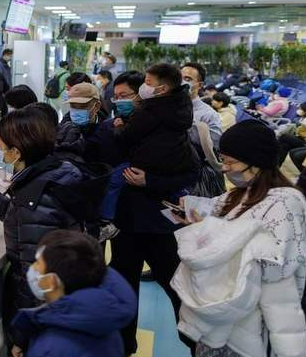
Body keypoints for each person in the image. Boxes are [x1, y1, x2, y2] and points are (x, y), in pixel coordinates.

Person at [172, 120, 306, 357]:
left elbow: (271, 269)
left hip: (252, 325)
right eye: (223, 160)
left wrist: (206, 232)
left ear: (256, 162)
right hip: (222, 318)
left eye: (231, 162)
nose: (224, 168)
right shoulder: (239, 195)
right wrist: (196, 218)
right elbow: (220, 222)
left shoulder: (285, 203)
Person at [0, 108, 97, 350]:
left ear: (17, 152)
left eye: (1, 145)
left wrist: (23, 337)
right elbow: (35, 219)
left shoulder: (34, 198)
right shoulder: (58, 171)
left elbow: (36, 281)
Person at [109, 63, 199, 356]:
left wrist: (151, 181)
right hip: (126, 221)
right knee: (123, 288)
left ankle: (199, 343)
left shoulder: (173, 127)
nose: (120, 101)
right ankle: (124, 346)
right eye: (116, 96)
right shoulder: (128, 122)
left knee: (175, 285)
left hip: (158, 222)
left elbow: (191, 172)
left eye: (125, 95)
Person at [11, 230, 137, 357]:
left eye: (38, 262)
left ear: (52, 281)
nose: (33, 268)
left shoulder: (50, 349)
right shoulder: (103, 319)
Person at [182, 63, 222, 149]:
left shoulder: (209, 115)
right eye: (179, 78)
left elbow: (213, 147)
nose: (181, 83)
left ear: (200, 85)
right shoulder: (167, 106)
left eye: (187, 79)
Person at [278, 102, 306, 166]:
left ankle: (273, 163)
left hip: (304, 142)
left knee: (284, 137)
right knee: (285, 145)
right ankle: (276, 165)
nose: (299, 110)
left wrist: (299, 128)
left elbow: (301, 133)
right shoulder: (302, 118)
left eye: (301, 109)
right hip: (299, 138)